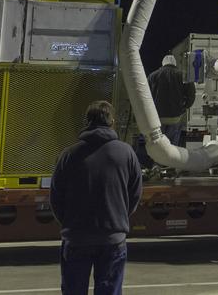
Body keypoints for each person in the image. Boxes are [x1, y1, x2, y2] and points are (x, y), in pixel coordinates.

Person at [51, 100, 143, 295]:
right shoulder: (127, 153)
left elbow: (56, 197)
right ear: (112, 122)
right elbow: (135, 193)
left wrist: (69, 223)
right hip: (113, 239)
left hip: (76, 238)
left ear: (87, 122)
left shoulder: (68, 155)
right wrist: (119, 216)